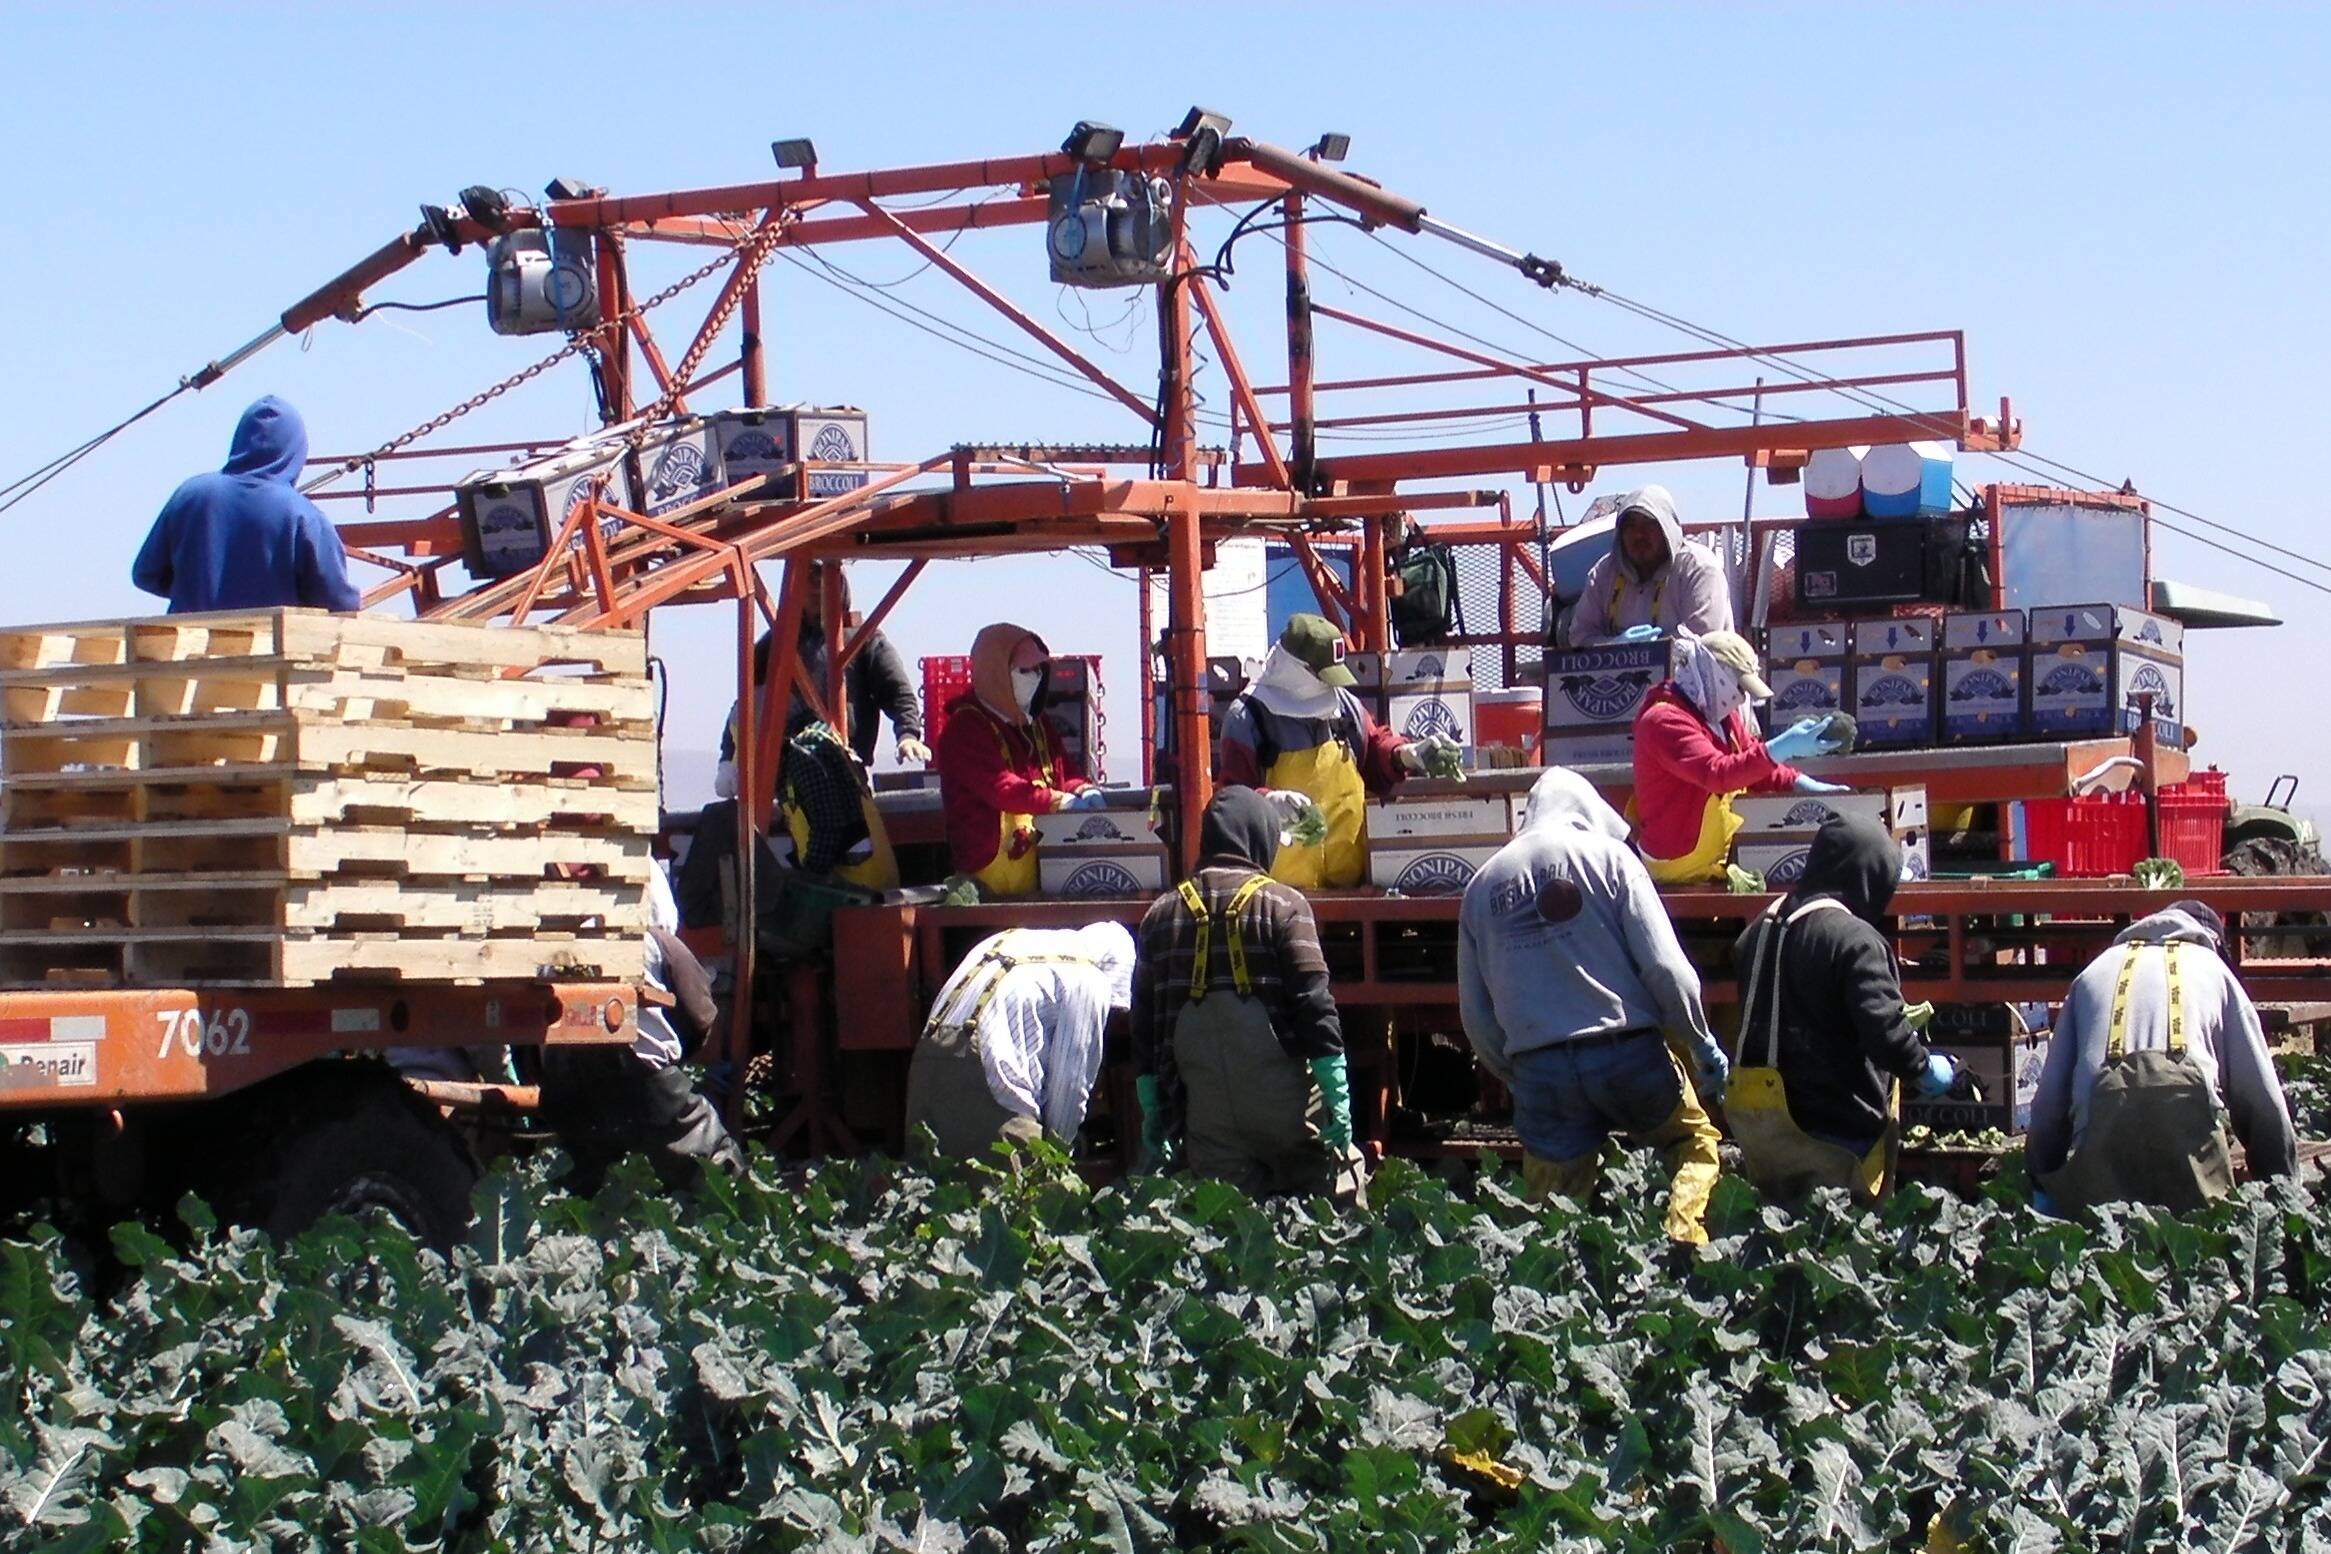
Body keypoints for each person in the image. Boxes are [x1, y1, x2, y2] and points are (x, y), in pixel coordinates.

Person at [1457, 767, 1732, 1244]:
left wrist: (1518, 1071)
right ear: (1587, 812)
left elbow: (1475, 1015)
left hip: (1539, 1070)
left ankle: (1555, 1296)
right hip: (1628, 1057)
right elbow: (1668, 970)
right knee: (1692, 1145)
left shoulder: (1482, 885)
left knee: (1551, 1221)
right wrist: (1700, 1041)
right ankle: (1684, 1244)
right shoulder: (1611, 858)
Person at [1130, 786, 1363, 1203]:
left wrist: (1152, 1105)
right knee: (1331, 1213)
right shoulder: (1284, 906)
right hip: (1287, 1113)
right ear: (1260, 837)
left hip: (1206, 1117)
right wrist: (1337, 1094)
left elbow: (1144, 1022)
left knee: (1232, 1232)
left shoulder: (1158, 917)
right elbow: (1315, 1003)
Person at [1729, 815, 1960, 1204]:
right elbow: (1885, 1032)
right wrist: (1924, 1069)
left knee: (1775, 1239)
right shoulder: (1855, 940)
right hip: (1832, 1125)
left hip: (1759, 1121)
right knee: (1837, 1246)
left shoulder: (1759, 929)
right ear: (1869, 877)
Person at [2028, 899, 2297, 1214]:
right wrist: (2284, 1189)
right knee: (2200, 1240)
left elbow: (2048, 1107)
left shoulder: (2094, 971)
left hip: (2101, 1136)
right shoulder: (2215, 972)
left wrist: (2039, 1180)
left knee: (2106, 1238)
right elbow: (2261, 1099)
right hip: (2187, 1130)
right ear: (2209, 941)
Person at [538, 863, 745, 1189]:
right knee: (717, 1176)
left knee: (591, 1193)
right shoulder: (655, 943)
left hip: (564, 1091)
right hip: (646, 1087)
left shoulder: (543, 955)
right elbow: (700, 1017)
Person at [1218, 613, 1460, 889]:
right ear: (1295, 668)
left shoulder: (1344, 704)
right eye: (1323, 676)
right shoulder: (1247, 717)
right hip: (1278, 895)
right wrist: (1269, 803)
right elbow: (1232, 800)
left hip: (1350, 885)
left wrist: (1404, 753)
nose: (1329, 685)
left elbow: (1374, 746)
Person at [1631, 628, 1850, 885]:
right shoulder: (1663, 721)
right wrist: (1782, 747)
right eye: (1739, 688)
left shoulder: (1721, 718)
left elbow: (1751, 764)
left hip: (1718, 859)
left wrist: (1800, 783)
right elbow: (1718, 774)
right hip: (1678, 867)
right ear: (1716, 674)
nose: (1741, 698)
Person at [903, 921, 1135, 1157]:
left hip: (926, 1063)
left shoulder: (1004, 940)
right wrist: (1055, 1157)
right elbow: (1071, 1084)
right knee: (1003, 1189)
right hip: (991, 1079)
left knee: (928, 1181)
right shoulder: (1091, 978)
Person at [132, 395, 363, 614]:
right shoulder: (303, 515)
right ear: (296, 450)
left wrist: (198, 593)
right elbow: (336, 599)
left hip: (189, 649)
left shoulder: (189, 494)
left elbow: (146, 574)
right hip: (269, 651)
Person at [712, 562, 927, 794]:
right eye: (808, 581)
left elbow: (896, 690)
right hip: (788, 771)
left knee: (848, 823)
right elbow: (746, 706)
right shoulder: (775, 643)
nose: (816, 587)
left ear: (840, 585)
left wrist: (908, 733)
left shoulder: (864, 638)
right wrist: (728, 759)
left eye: (823, 579)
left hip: (846, 767)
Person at [935, 622, 1099, 897]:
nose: (1034, 678)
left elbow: (1064, 773)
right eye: (1024, 671)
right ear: (995, 672)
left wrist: (1083, 788)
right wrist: (1058, 801)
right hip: (988, 884)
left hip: (1043, 874)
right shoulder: (964, 729)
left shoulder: (1037, 723)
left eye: (1038, 670)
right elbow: (1001, 788)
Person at [1566, 485, 1732, 647]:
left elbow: (1703, 640)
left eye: (1649, 524)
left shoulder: (1699, 568)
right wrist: (1614, 647)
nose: (1639, 534)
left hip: (1702, 673)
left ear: (1667, 527)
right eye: (1630, 526)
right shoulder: (1604, 573)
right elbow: (1580, 636)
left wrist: (1651, 653)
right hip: (1618, 675)